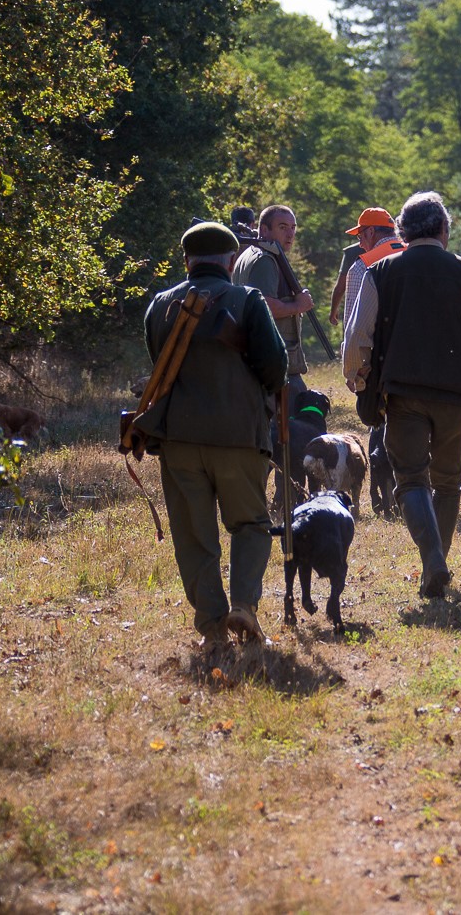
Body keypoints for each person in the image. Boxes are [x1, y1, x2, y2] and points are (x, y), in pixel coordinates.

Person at [344, 192, 461, 598]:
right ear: (443, 230)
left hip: (402, 394)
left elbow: (356, 336)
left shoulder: (378, 271)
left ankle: (433, 563)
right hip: (456, 394)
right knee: (449, 482)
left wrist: (357, 378)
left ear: (402, 231)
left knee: (411, 480)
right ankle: (435, 566)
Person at [141, 221, 288, 649]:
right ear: (229, 260)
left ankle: (210, 625)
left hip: (179, 441)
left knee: (193, 536)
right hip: (241, 437)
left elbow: (160, 364)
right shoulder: (248, 300)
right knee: (250, 524)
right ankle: (243, 604)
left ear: (187, 260)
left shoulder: (160, 306)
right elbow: (275, 368)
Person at [233, 204, 314, 392]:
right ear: (264, 230)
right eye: (283, 227)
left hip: (261, 356)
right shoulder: (265, 260)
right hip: (272, 359)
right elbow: (265, 307)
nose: (290, 234)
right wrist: (298, 305)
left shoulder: (250, 253)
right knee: (301, 410)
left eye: (293, 227)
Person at [331, 207, 406, 335]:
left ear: (371, 232)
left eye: (360, 237)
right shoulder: (415, 254)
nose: (360, 244)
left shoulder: (361, 266)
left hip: (380, 350)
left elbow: (353, 328)